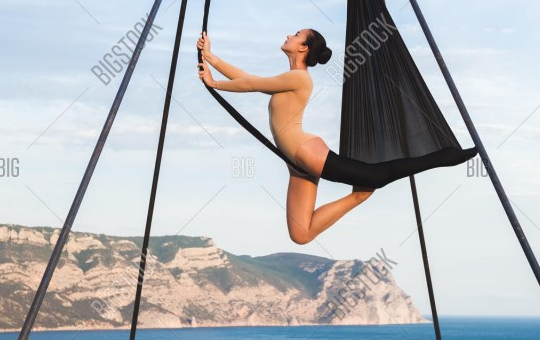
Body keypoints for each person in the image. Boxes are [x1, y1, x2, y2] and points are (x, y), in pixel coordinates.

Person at [196, 28, 476, 244]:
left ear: (303, 47)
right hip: (295, 161)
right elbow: (248, 78)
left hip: (305, 151)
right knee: (301, 234)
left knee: (376, 175)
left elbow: (251, 85)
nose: (288, 35)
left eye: (295, 35)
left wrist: (214, 83)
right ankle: (357, 197)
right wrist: (210, 57)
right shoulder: (289, 77)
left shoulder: (300, 78)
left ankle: (444, 156)